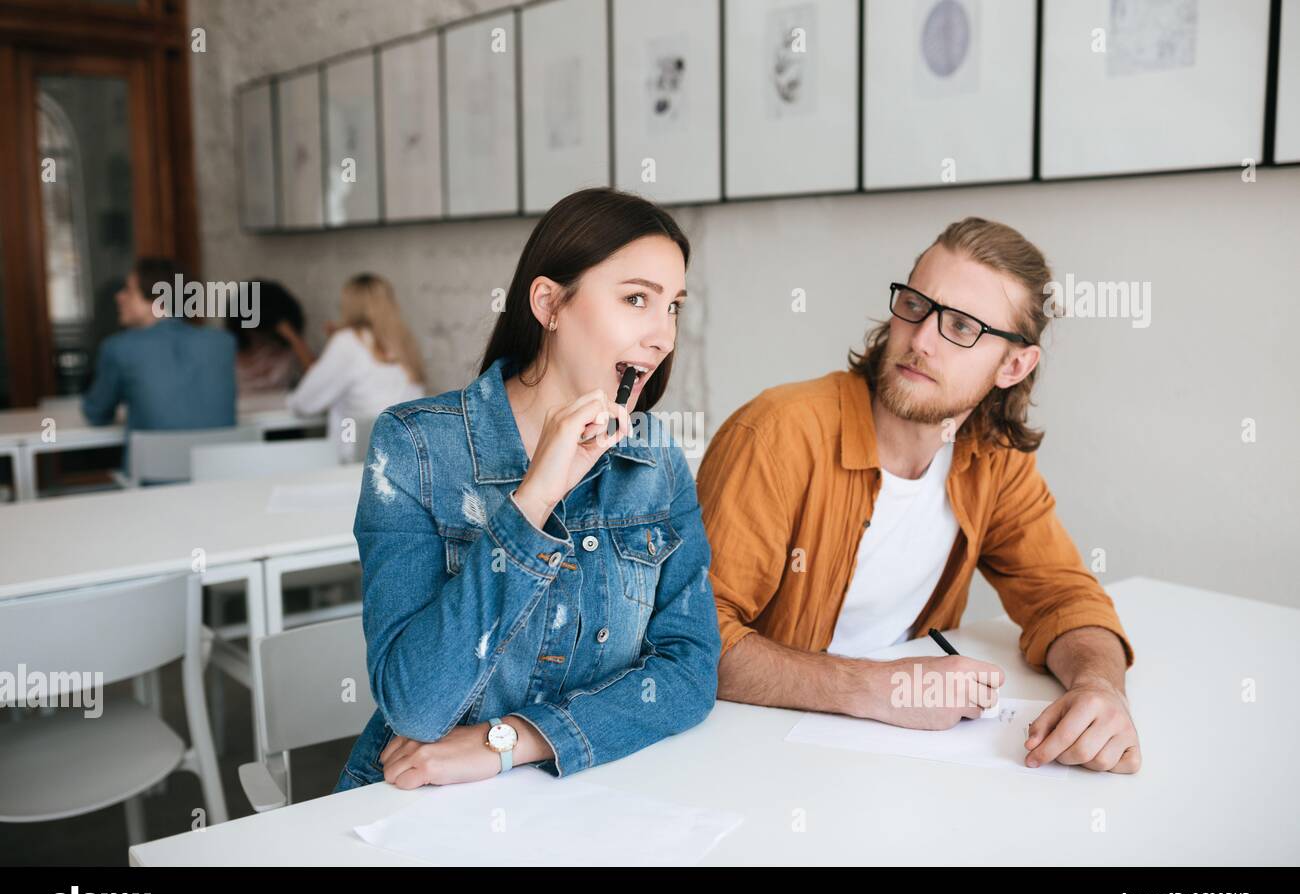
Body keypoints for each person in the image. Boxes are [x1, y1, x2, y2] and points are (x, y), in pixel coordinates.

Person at [697, 217, 1142, 774]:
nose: (921, 339)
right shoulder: (777, 434)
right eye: (914, 304)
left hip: (905, 761)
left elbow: (1064, 598)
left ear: (1013, 364)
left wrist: (1100, 689)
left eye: (961, 326)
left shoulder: (991, 459)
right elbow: (694, 639)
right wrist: (879, 688)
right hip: (752, 755)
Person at [335, 187, 719, 791]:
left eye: (673, 306)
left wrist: (514, 740)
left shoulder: (656, 457)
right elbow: (415, 705)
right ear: (549, 304)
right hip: (416, 808)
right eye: (637, 299)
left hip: (581, 798)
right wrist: (532, 501)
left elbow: (691, 670)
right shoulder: (414, 447)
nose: (662, 336)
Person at [81, 257, 236, 474]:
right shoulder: (223, 343)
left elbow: (97, 413)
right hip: (220, 479)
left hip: (152, 488)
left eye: (129, 290)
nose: (119, 296)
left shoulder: (119, 348)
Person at [279, 273, 425, 462]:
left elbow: (306, 402)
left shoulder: (347, 342)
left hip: (359, 461)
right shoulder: (404, 343)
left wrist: (289, 402)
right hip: (405, 458)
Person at [227, 278, 304, 393]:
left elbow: (318, 377)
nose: (258, 335)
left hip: (277, 410)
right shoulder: (228, 355)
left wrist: (292, 336)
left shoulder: (286, 356)